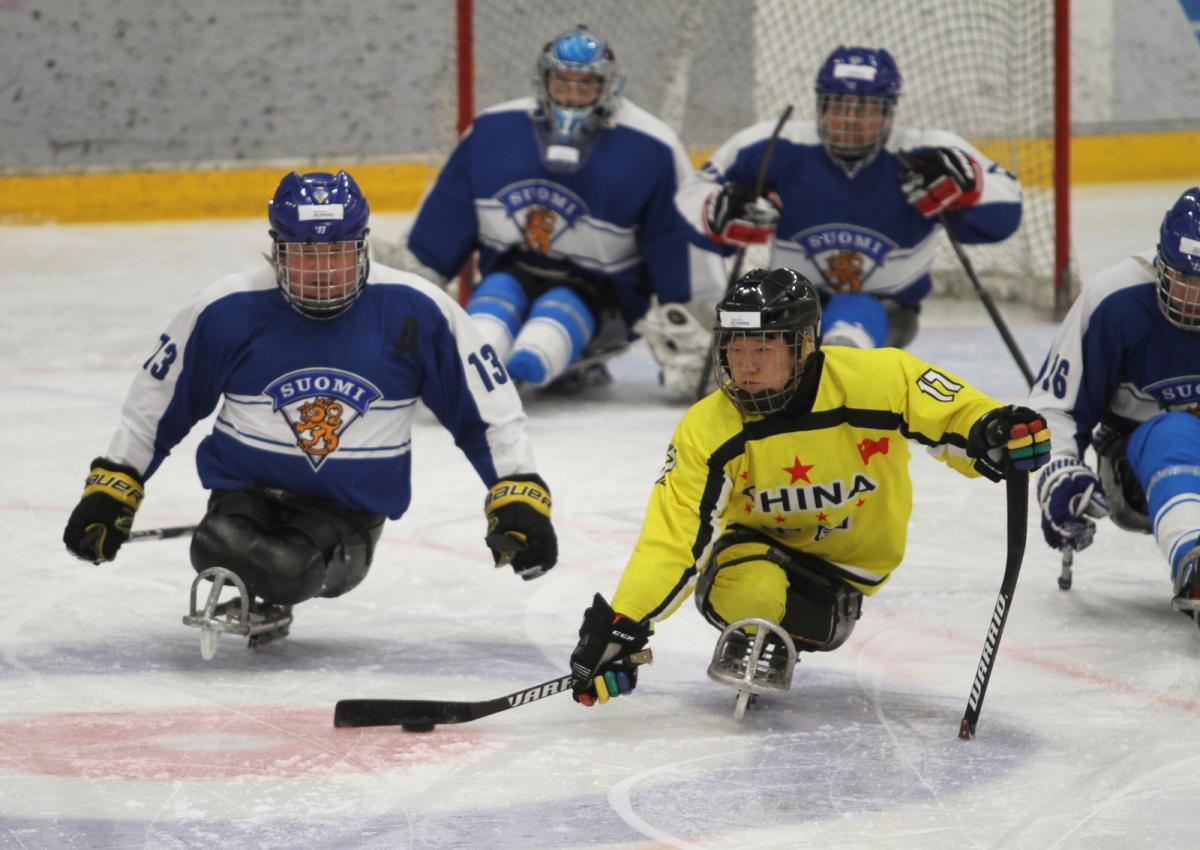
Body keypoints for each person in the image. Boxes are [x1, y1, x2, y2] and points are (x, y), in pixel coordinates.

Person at [63, 170, 558, 656]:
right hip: (246, 491)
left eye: (337, 253)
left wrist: (517, 496)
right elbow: (156, 403)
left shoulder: (419, 310)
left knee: (285, 565)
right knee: (216, 543)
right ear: (276, 249)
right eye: (304, 254)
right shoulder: (226, 309)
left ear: (363, 245)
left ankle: (278, 581)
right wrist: (114, 486)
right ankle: (254, 559)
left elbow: (488, 412)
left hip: (346, 513)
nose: (322, 272)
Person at [566, 267, 1051, 710]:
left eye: (763, 349)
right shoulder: (708, 427)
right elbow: (673, 537)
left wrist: (993, 431)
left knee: (815, 616)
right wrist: (625, 625)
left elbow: (956, 416)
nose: (745, 365)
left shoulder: (878, 380)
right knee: (745, 588)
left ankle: (802, 624)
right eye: (736, 347)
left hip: (849, 569)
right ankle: (760, 628)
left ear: (802, 346)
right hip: (754, 550)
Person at [394, 24, 725, 397]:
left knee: (551, 322)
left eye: (585, 85)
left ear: (607, 86)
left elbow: (675, 245)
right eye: (562, 83)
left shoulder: (651, 146)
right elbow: (443, 224)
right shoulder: (492, 131)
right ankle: (470, 375)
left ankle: (522, 369)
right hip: (510, 272)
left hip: (602, 296)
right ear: (544, 81)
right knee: (490, 313)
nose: (571, 95)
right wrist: (405, 307)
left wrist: (696, 334)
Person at [674, 45, 1023, 350]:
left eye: (865, 109)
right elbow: (690, 198)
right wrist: (718, 209)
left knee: (845, 337)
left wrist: (969, 184)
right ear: (820, 106)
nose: (849, 120)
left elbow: (1007, 211)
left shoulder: (922, 153)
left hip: (886, 311)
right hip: (788, 304)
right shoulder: (773, 145)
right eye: (838, 105)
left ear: (888, 112)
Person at [1029, 186, 1200, 626]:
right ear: (1161, 260)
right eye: (1183, 278)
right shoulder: (1116, 300)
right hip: (1137, 463)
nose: (1191, 297)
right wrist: (1061, 470)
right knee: (1172, 431)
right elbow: (1057, 405)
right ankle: (1194, 559)